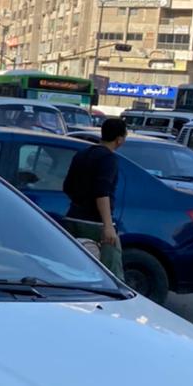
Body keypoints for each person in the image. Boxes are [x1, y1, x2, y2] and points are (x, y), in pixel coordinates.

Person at [62, 117, 127, 279]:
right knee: (112, 270)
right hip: (95, 224)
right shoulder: (109, 159)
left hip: (72, 218)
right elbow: (102, 192)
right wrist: (108, 226)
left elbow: (67, 187)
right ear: (119, 139)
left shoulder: (82, 154)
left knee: (74, 269)